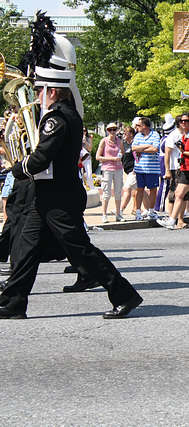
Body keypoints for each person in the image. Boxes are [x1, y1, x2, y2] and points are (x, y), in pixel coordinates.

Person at [0, 56, 142, 319]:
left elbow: (43, 156)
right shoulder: (65, 114)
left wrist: (18, 169)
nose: (37, 95)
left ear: (52, 91)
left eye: (40, 90)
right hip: (48, 194)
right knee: (25, 248)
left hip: (59, 196)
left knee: (80, 250)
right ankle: (12, 303)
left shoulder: (58, 118)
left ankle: (124, 294)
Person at [131, 117, 161, 221]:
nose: (137, 127)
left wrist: (142, 148)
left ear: (144, 126)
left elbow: (155, 149)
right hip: (140, 168)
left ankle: (151, 211)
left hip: (152, 168)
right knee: (139, 190)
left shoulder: (155, 135)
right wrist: (147, 146)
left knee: (153, 190)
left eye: (138, 125)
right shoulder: (138, 136)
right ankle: (138, 211)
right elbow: (134, 148)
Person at [96, 122, 124, 223]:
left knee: (118, 192)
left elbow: (122, 153)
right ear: (107, 131)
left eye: (114, 129)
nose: (112, 132)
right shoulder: (104, 141)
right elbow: (98, 157)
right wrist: (111, 158)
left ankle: (118, 214)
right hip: (107, 168)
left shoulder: (119, 141)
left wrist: (118, 159)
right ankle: (104, 214)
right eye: (110, 130)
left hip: (118, 169)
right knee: (106, 193)